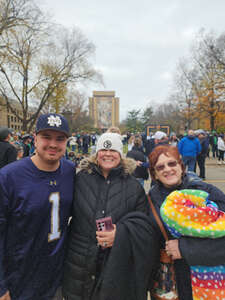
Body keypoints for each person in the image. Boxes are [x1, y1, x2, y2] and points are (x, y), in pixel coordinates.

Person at [63, 132, 158, 300]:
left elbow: (144, 228)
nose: (107, 154)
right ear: (96, 153)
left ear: (120, 155)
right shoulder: (80, 179)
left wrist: (120, 234)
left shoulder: (133, 187)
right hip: (79, 265)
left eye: (113, 150)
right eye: (103, 150)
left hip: (115, 267)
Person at [0, 113, 75, 300]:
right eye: (46, 137)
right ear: (35, 138)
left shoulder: (70, 171)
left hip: (55, 279)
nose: (53, 144)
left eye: (60, 138)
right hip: (19, 280)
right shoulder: (9, 177)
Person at [148, 145, 225, 300]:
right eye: (160, 167)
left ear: (181, 166)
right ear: (154, 174)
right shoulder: (149, 202)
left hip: (207, 280)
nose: (167, 169)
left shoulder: (207, 193)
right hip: (170, 283)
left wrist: (184, 248)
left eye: (172, 163)